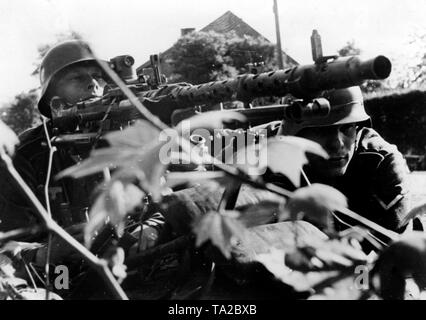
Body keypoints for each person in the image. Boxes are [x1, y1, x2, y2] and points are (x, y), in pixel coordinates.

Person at [0, 40, 164, 277]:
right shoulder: (23, 155)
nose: (93, 84)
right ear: (52, 97)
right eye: (77, 78)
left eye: (98, 76)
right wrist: (47, 253)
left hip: (138, 266)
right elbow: (9, 247)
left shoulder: (129, 137)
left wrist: (152, 228)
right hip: (65, 278)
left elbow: (171, 200)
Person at [275, 86, 412, 239]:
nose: (337, 144)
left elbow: (396, 245)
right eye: (321, 130)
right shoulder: (269, 146)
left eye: (347, 127)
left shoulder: (381, 161)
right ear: (294, 135)